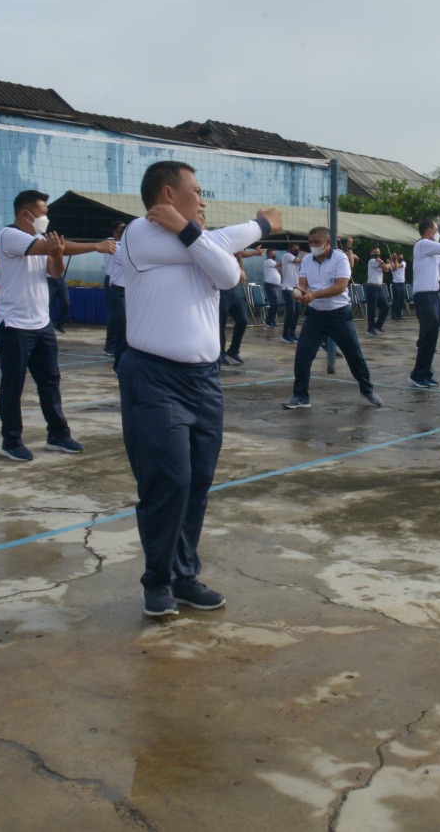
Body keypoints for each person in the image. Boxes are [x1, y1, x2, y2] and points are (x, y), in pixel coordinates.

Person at [114, 159, 282, 617]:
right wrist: (260, 225)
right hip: (154, 377)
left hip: (204, 381)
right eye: (197, 191)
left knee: (199, 481)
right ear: (167, 195)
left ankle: (185, 575)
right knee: (169, 479)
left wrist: (220, 233)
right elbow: (226, 262)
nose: (204, 200)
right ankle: (157, 581)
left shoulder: (196, 242)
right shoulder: (139, 234)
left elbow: (227, 271)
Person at [0, 189, 115, 462]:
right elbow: (46, 248)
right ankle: (11, 441)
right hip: (14, 324)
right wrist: (96, 246)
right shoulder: (8, 235)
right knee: (13, 385)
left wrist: (58, 254)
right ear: (27, 213)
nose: (46, 216)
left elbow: (56, 271)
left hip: (41, 323)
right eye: (43, 211)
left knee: (50, 382)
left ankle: (58, 434)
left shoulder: (39, 239)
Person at [284, 227, 383, 410]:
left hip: (339, 314)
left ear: (327, 243)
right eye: (310, 242)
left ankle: (367, 390)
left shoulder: (340, 258)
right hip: (315, 315)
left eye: (316, 242)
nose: (312, 245)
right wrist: (299, 292)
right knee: (303, 354)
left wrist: (313, 295)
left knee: (354, 354)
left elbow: (340, 286)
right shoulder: (306, 259)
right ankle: (300, 396)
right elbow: (302, 283)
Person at [409, 219, 440, 389]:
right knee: (428, 333)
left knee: (432, 336)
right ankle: (418, 374)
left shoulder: (434, 251)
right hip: (423, 295)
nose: (438, 233)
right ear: (429, 231)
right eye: (436, 229)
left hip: (433, 294)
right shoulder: (423, 244)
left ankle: (426, 372)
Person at [219, 249, 257, 365]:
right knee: (220, 325)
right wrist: (254, 253)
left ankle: (233, 351)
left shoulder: (235, 253)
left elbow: (241, 260)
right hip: (221, 292)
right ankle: (220, 354)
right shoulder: (219, 251)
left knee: (243, 320)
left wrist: (240, 258)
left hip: (234, 292)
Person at [102, 221, 126, 356]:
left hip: (123, 283)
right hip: (112, 283)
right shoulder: (111, 244)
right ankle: (110, 346)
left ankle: (118, 345)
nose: (120, 233)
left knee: (122, 318)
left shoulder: (124, 245)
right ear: (114, 232)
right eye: (119, 230)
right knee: (115, 317)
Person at [364, 247, 392, 335]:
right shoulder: (372, 261)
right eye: (374, 252)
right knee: (372, 308)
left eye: (378, 252)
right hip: (372, 287)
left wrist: (387, 265)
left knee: (386, 307)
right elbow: (385, 267)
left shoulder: (379, 261)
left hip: (379, 287)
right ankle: (370, 327)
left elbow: (386, 269)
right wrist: (389, 264)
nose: (376, 253)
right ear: (371, 254)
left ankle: (378, 325)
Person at [280, 242, 302, 343]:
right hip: (287, 288)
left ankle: (292, 333)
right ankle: (285, 335)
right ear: (290, 249)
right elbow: (300, 260)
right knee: (291, 311)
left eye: (298, 248)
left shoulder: (297, 262)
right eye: (294, 248)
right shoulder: (287, 256)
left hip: (296, 288)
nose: (296, 250)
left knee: (297, 311)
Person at [47, 258, 69, 334]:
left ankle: (60, 324)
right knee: (49, 305)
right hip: (49, 280)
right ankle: (47, 325)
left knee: (66, 303)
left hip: (60, 279)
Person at [262, 249, 282, 329]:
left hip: (276, 285)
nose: (274, 255)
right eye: (272, 254)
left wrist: (280, 269)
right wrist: (284, 261)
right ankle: (268, 321)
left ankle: (272, 322)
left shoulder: (273, 263)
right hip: (270, 285)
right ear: (268, 255)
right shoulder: (268, 261)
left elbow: (280, 271)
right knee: (275, 303)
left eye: (274, 254)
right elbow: (279, 265)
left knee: (275, 304)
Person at [390, 252, 407, 321]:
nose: (401, 258)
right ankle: (394, 315)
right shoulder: (392, 264)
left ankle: (399, 315)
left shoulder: (403, 262)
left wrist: (395, 261)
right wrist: (395, 260)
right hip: (396, 283)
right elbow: (395, 268)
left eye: (401, 257)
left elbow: (398, 266)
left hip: (402, 283)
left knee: (401, 300)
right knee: (396, 300)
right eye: (399, 257)